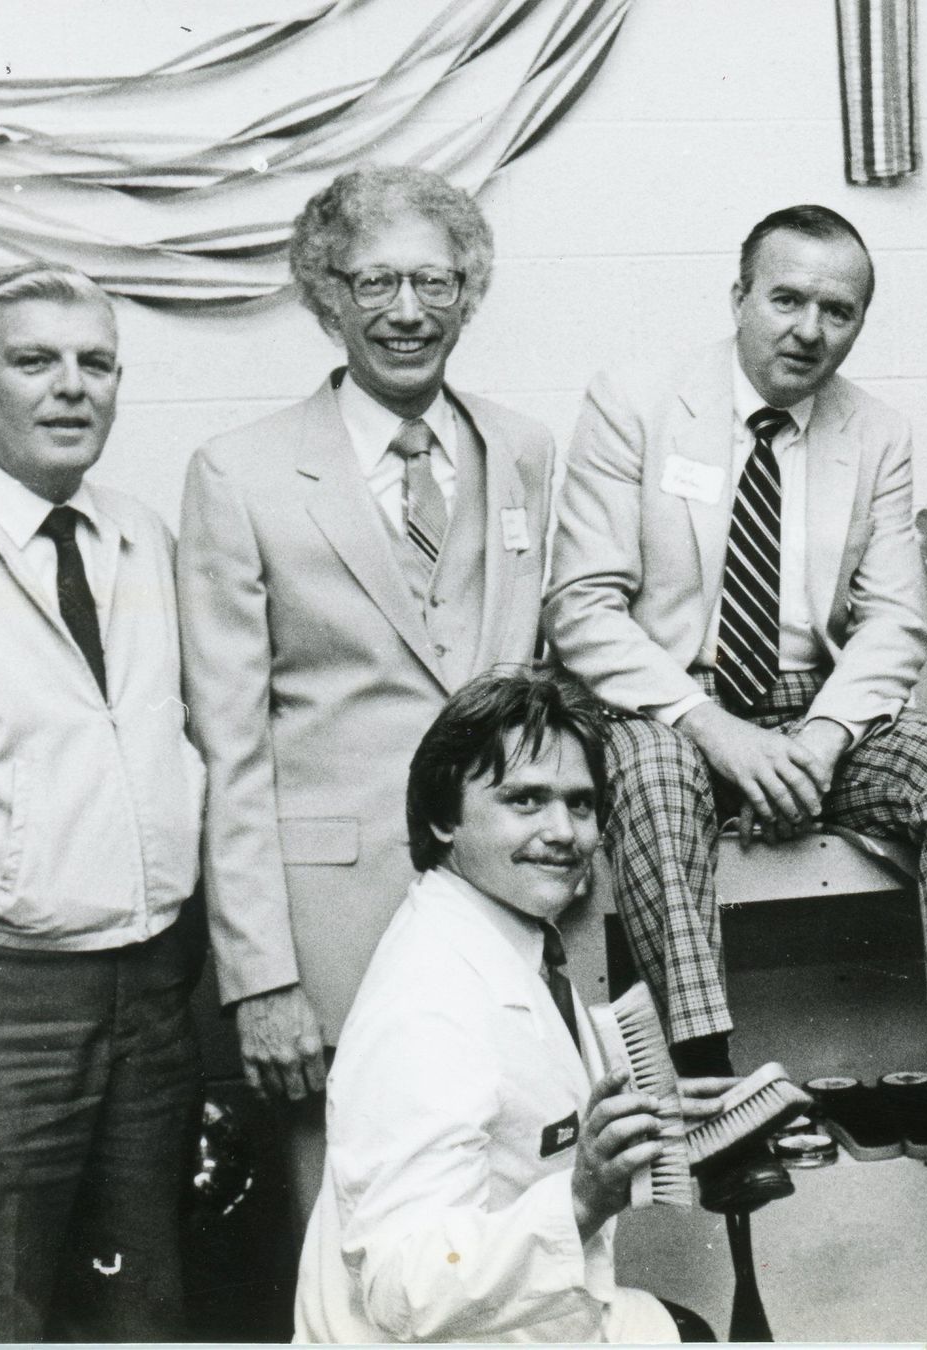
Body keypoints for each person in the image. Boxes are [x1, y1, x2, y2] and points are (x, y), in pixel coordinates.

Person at [544, 204, 927, 1210]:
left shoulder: (876, 432)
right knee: (652, 768)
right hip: (670, 708)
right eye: (786, 300)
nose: (809, 330)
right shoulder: (637, 402)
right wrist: (716, 732)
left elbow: (896, 621)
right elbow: (581, 608)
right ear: (738, 296)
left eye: (839, 311)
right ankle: (709, 1101)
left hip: (811, 714)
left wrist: (822, 738)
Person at [177, 164, 557, 1224]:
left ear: (467, 296)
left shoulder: (524, 450)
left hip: (506, 918)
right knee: (345, 1243)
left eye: (435, 283)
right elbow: (229, 748)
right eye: (376, 281)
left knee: (513, 1233)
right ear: (326, 295)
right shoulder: (239, 474)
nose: (407, 311)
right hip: (331, 940)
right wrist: (260, 978)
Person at [0, 262, 204, 1340]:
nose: (72, 388)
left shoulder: (142, 537)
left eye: (97, 363)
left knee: (142, 1304)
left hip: (152, 991)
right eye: (35, 361)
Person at [295, 665, 719, 1343]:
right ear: (444, 817)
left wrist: (650, 1106)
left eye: (580, 804)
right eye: (525, 800)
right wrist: (581, 1199)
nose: (564, 832)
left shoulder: (504, 932)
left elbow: (519, 1086)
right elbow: (402, 1287)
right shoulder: (425, 1009)